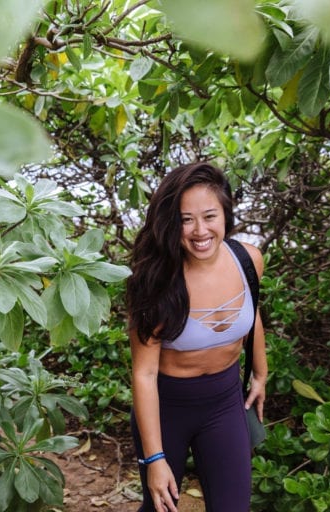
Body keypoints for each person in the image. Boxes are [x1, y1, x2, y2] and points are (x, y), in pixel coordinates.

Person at [125, 162, 267, 512]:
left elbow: (254, 313)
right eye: (186, 219)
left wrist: (260, 374)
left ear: (226, 214)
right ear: (171, 223)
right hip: (167, 407)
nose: (199, 230)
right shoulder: (155, 283)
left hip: (224, 400)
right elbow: (143, 374)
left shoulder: (248, 259)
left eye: (209, 216)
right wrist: (155, 458)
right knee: (161, 507)